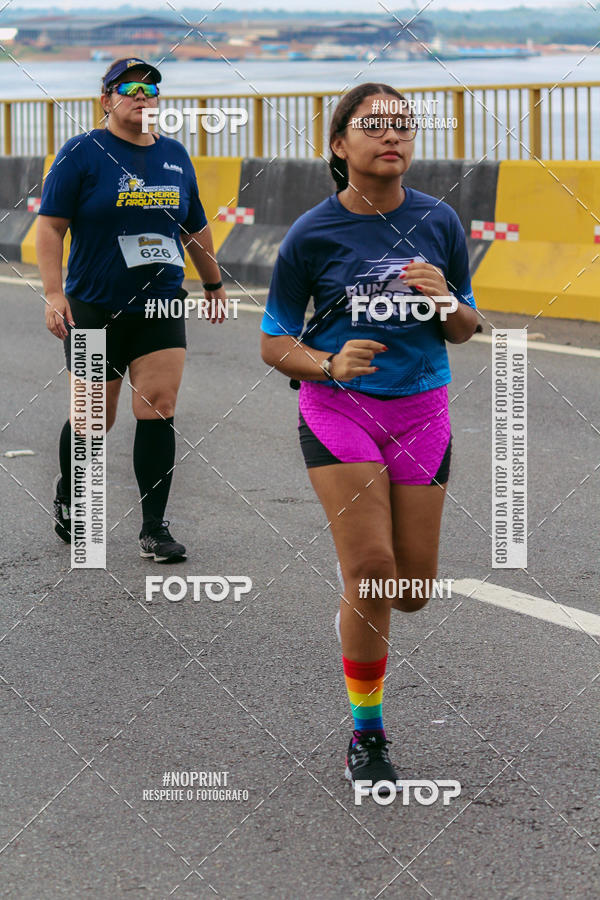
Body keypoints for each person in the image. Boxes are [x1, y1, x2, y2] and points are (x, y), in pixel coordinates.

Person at [260, 83, 478, 792]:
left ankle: (362, 611)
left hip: (422, 411)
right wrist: (327, 363)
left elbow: (466, 327)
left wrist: (444, 297)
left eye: (403, 126)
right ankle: (367, 732)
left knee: (410, 590)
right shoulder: (312, 233)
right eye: (374, 125)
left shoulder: (440, 220)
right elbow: (273, 343)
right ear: (339, 144)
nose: (393, 136)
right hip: (339, 410)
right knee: (372, 571)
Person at [37, 57, 227, 562]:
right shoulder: (81, 152)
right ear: (106, 99)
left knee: (159, 405)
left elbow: (193, 226)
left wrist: (213, 283)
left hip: (161, 302)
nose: (142, 96)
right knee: (94, 416)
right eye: (130, 88)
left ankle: (153, 528)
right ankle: (70, 496)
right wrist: (54, 294)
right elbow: (50, 226)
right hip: (93, 305)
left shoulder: (174, 155)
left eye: (151, 89)